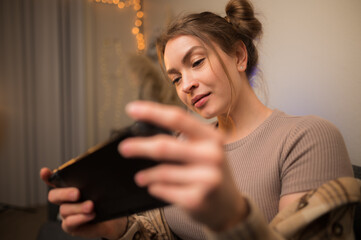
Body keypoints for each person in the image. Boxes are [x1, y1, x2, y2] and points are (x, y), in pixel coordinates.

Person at [40, 0, 359, 239]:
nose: (187, 85)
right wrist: (113, 226)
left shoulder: (308, 137)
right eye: (176, 78)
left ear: (238, 56)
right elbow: (158, 229)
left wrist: (231, 218)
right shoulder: (183, 145)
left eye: (196, 62)